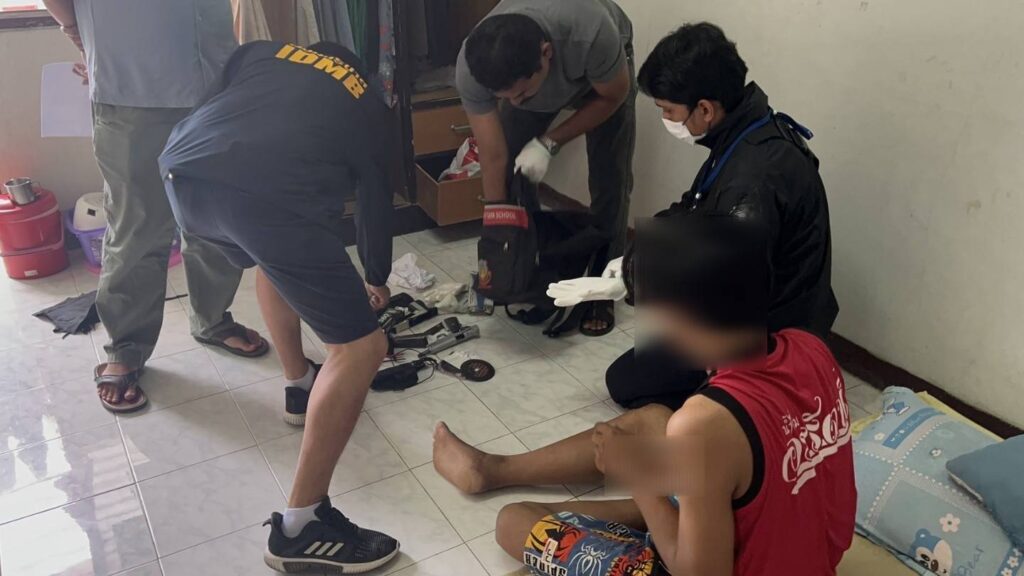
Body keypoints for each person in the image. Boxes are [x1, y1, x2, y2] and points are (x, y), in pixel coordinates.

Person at [432, 217, 857, 576]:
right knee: (652, 419)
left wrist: (637, 476)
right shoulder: (810, 347)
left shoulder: (705, 422)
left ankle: (651, 510)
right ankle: (493, 469)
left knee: (513, 522)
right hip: (811, 561)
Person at [159, 41, 399, 573]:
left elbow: (214, 102)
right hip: (262, 194)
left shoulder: (264, 53)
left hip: (183, 174)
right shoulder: (365, 101)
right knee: (362, 347)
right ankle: (301, 527)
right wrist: (376, 277)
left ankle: (299, 384)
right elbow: (375, 198)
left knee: (272, 257)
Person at [41, 0, 266, 414]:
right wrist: (79, 34)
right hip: (132, 85)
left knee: (215, 214)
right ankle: (126, 347)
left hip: (216, 82)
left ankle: (212, 318)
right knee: (137, 226)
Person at [605, 22, 839, 410]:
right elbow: (696, 207)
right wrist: (636, 253)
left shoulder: (752, 177)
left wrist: (638, 279)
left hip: (775, 332)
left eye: (668, 110)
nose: (666, 119)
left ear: (705, 109)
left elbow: (730, 286)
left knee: (625, 382)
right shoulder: (750, 131)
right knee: (644, 357)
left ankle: (743, 401)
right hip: (770, 299)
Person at [456, 0, 636, 336]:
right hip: (540, 67)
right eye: (504, 97)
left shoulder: (591, 33)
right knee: (510, 169)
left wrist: (549, 143)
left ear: (546, 54)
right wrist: (499, 233)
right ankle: (529, 268)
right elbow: (493, 154)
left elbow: (613, 96)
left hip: (602, 77)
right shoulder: (472, 66)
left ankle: (600, 289)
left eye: (522, 94)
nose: (515, 103)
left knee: (609, 175)